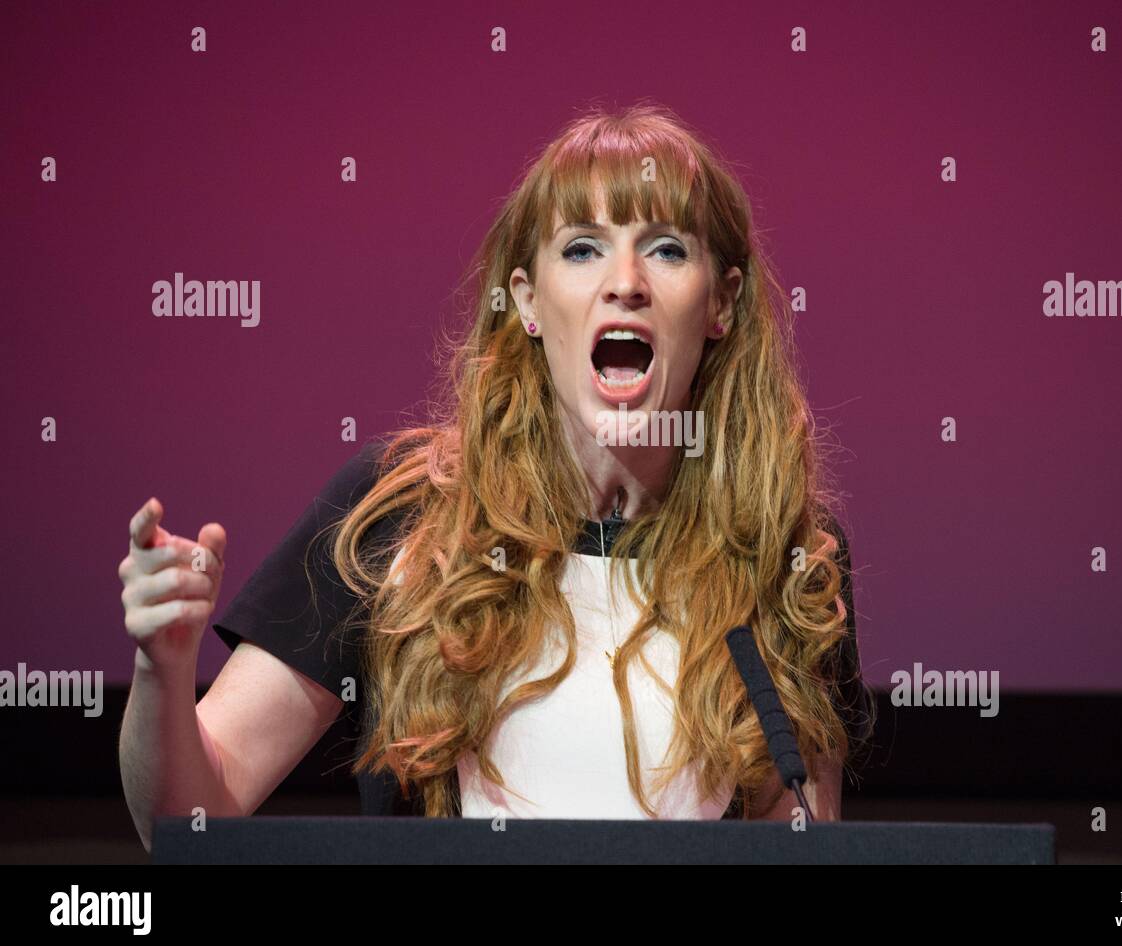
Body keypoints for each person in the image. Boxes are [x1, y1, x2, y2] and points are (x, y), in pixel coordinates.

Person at [118, 104, 875, 850]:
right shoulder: (399, 517)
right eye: (582, 249)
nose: (626, 282)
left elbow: (805, 844)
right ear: (527, 302)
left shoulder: (786, 555)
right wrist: (164, 667)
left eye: (668, 250)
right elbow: (187, 817)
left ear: (721, 302)